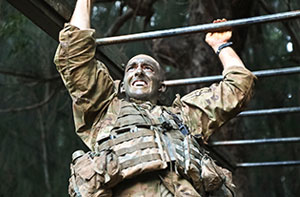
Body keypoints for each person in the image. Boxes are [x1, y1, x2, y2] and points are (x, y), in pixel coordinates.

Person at [54, 0, 256, 196]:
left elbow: (238, 87)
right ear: (122, 85)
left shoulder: (184, 117)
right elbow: (75, 54)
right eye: (132, 68)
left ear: (162, 87)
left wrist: (221, 45)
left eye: (148, 68)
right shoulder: (105, 109)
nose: (139, 72)